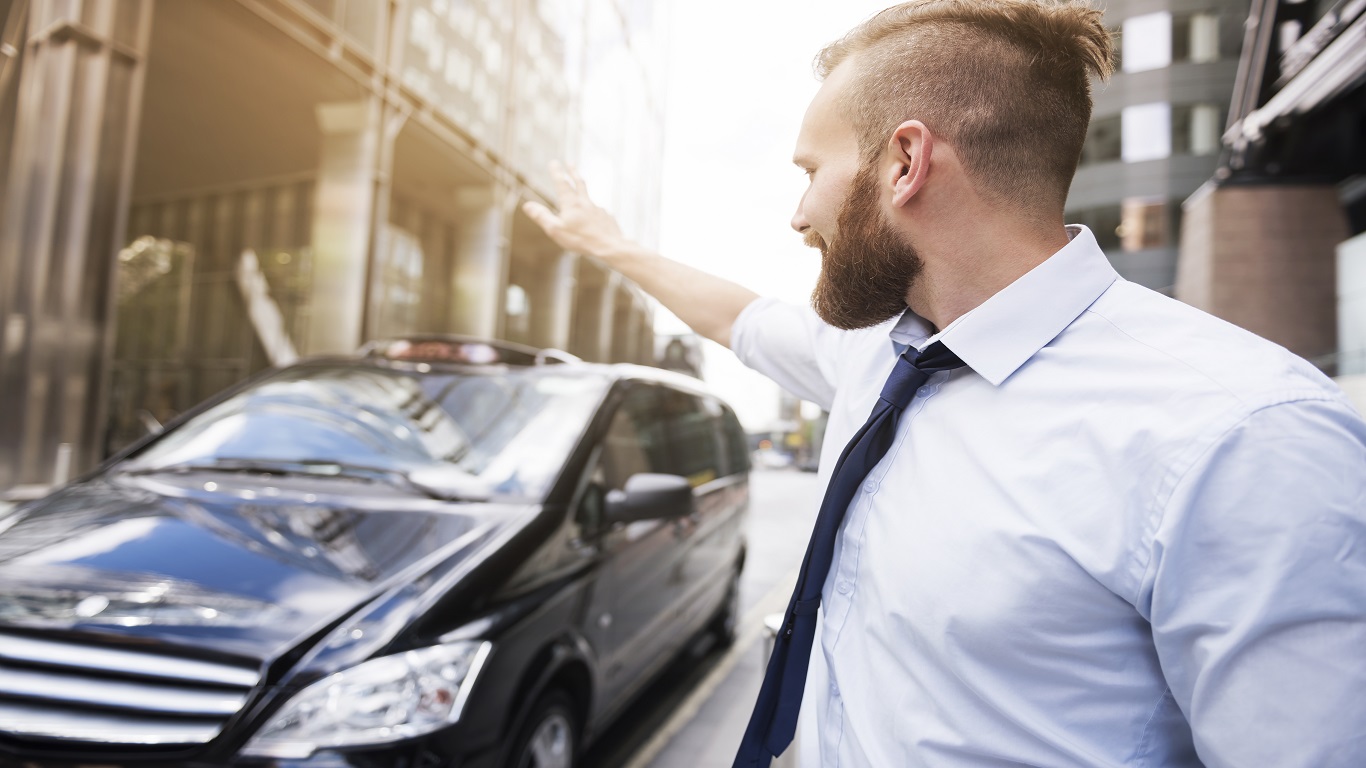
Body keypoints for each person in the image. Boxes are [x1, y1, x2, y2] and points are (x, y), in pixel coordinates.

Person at [523, 0, 1366, 765]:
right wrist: (610, 246)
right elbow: (741, 319)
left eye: (809, 171)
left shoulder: (1241, 436)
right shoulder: (878, 354)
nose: (798, 215)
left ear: (905, 163)